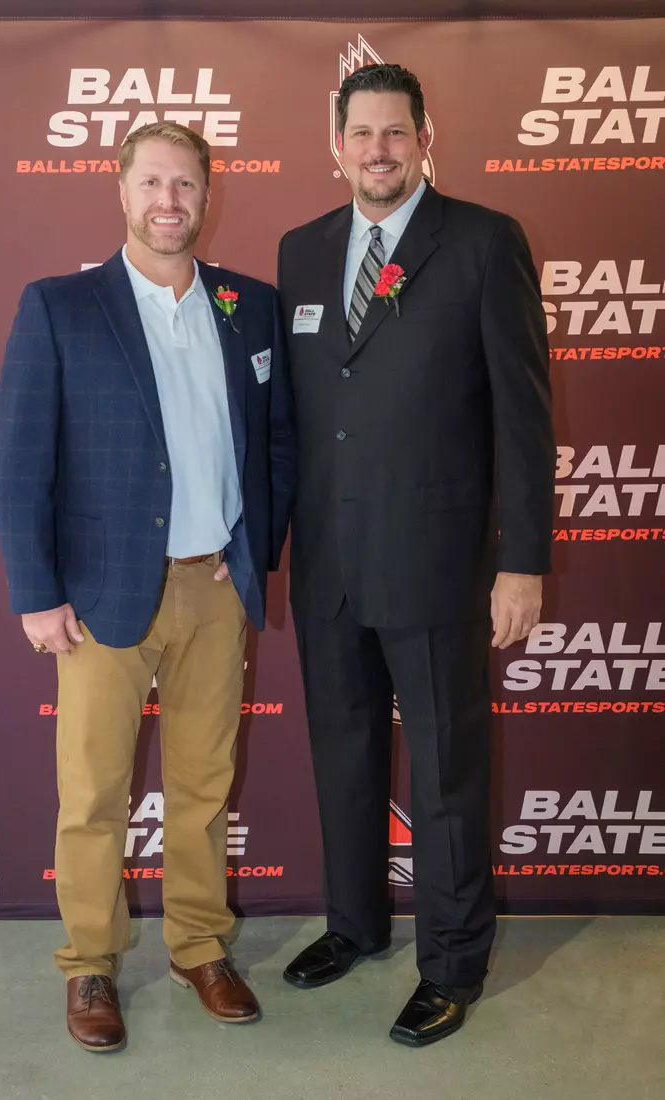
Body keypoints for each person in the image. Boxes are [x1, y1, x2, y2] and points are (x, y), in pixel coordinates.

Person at [0, 122, 295, 1052]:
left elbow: (275, 442)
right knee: (92, 794)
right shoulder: (61, 306)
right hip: (100, 597)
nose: (170, 202)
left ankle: (199, 945)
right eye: (152, 183)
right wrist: (37, 595)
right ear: (121, 193)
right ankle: (89, 963)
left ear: (210, 197)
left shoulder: (250, 305)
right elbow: (17, 462)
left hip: (216, 589)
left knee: (205, 787)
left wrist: (256, 556)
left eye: (187, 186)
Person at [277, 63, 554, 1047]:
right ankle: (353, 922)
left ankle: (453, 958)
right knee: (343, 753)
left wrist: (522, 560)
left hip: (438, 562)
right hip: (328, 565)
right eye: (364, 135)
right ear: (337, 144)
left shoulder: (482, 243)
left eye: (398, 133)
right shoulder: (302, 251)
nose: (380, 151)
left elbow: (524, 420)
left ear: (424, 140)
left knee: (443, 770)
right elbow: (299, 418)